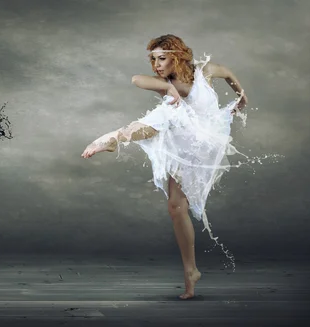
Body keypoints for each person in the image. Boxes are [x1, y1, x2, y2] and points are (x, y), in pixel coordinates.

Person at [81, 34, 247, 300]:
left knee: (166, 115)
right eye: (153, 59)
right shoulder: (165, 82)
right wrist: (169, 90)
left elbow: (226, 72)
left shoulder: (205, 71)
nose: (156, 65)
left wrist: (241, 97)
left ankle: (114, 138)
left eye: (162, 58)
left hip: (207, 138)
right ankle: (190, 272)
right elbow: (136, 79)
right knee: (175, 206)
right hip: (182, 142)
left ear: (178, 56)